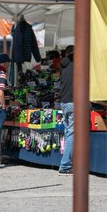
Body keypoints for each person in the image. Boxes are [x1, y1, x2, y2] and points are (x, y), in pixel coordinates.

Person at [58, 45, 74, 175]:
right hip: (74, 103)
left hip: (64, 103)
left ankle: (68, 162)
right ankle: (65, 165)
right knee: (71, 134)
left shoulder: (64, 66)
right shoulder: (77, 65)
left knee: (69, 132)